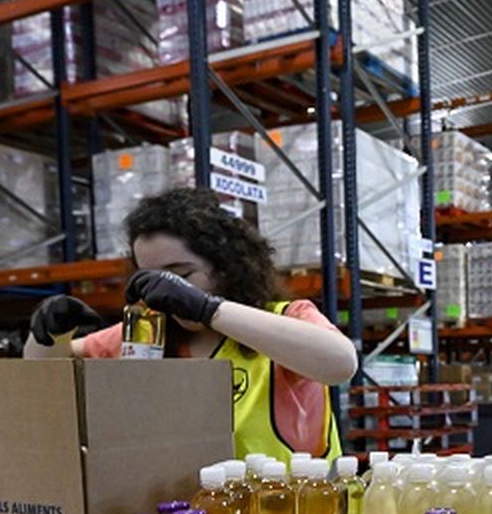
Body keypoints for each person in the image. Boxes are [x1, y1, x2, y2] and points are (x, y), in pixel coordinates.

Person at [23, 188, 359, 459]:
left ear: (226, 266)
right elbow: (47, 378)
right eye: (152, 279)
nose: (168, 293)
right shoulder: (148, 333)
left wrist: (210, 309)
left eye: (182, 276)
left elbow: (340, 364)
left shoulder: (285, 318)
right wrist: (48, 334)